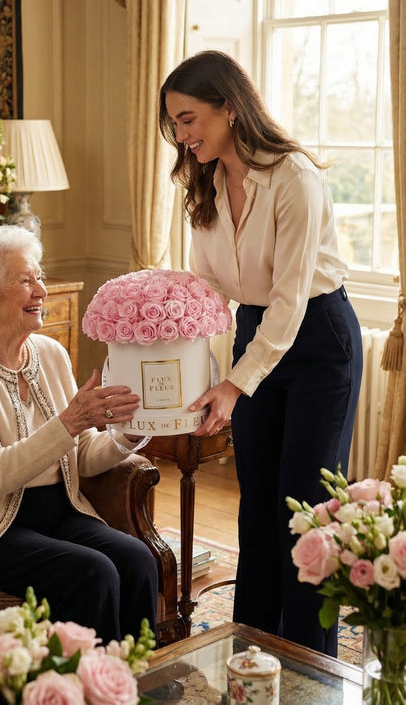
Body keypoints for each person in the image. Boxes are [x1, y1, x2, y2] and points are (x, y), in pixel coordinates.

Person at [158, 50, 363, 656]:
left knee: (306, 511)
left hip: (318, 339)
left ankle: (309, 667)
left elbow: (290, 300)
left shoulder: (295, 177)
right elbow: (209, 286)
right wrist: (166, 334)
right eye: (174, 123)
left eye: (189, 119)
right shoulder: (205, 181)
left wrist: (234, 384)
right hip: (258, 333)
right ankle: (252, 654)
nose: (182, 135)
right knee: (258, 510)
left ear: (230, 107)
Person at [0, 225, 158, 645]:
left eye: (39, 277)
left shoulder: (50, 354)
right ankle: (90, 680)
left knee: (138, 558)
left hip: (58, 511)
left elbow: (80, 456)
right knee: (93, 572)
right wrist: (70, 421)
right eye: (25, 281)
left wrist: (127, 435)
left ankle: (139, 675)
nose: (41, 290)